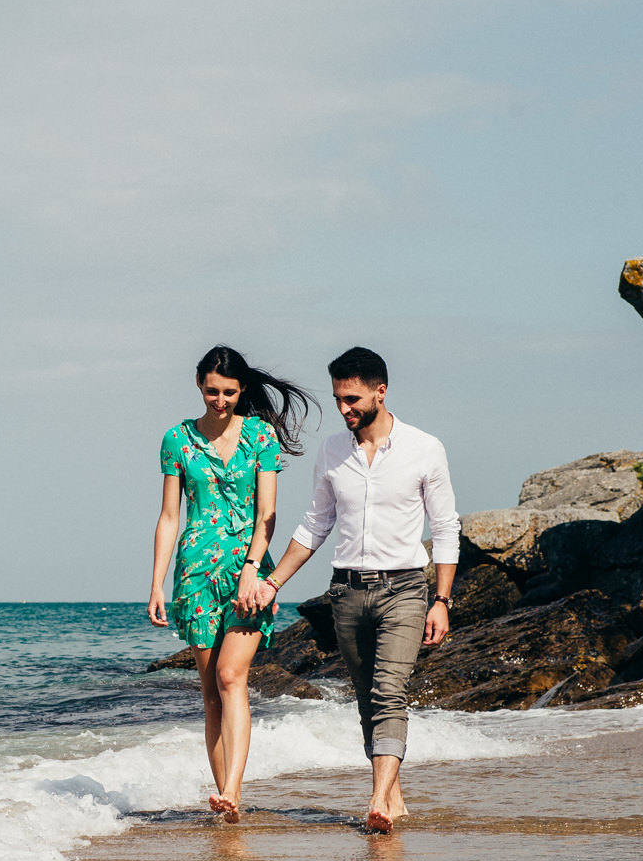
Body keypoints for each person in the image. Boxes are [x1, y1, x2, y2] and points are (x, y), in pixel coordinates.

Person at [254, 346, 459, 833]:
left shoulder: (424, 448)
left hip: (405, 590)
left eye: (352, 399)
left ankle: (377, 801)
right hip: (345, 593)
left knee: (390, 693)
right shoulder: (332, 450)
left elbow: (447, 527)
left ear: (379, 392)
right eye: (338, 399)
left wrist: (442, 601)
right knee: (368, 699)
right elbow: (314, 526)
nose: (344, 409)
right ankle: (394, 796)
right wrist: (273, 581)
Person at [149, 345, 314, 823]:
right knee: (209, 691)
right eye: (211, 391)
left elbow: (268, 514)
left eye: (229, 392)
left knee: (230, 676)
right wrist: (157, 584)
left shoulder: (261, 436)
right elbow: (167, 516)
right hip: (196, 575)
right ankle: (225, 801)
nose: (219, 400)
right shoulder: (176, 440)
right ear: (199, 386)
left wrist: (251, 568)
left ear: (242, 391)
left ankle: (233, 791)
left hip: (247, 575)